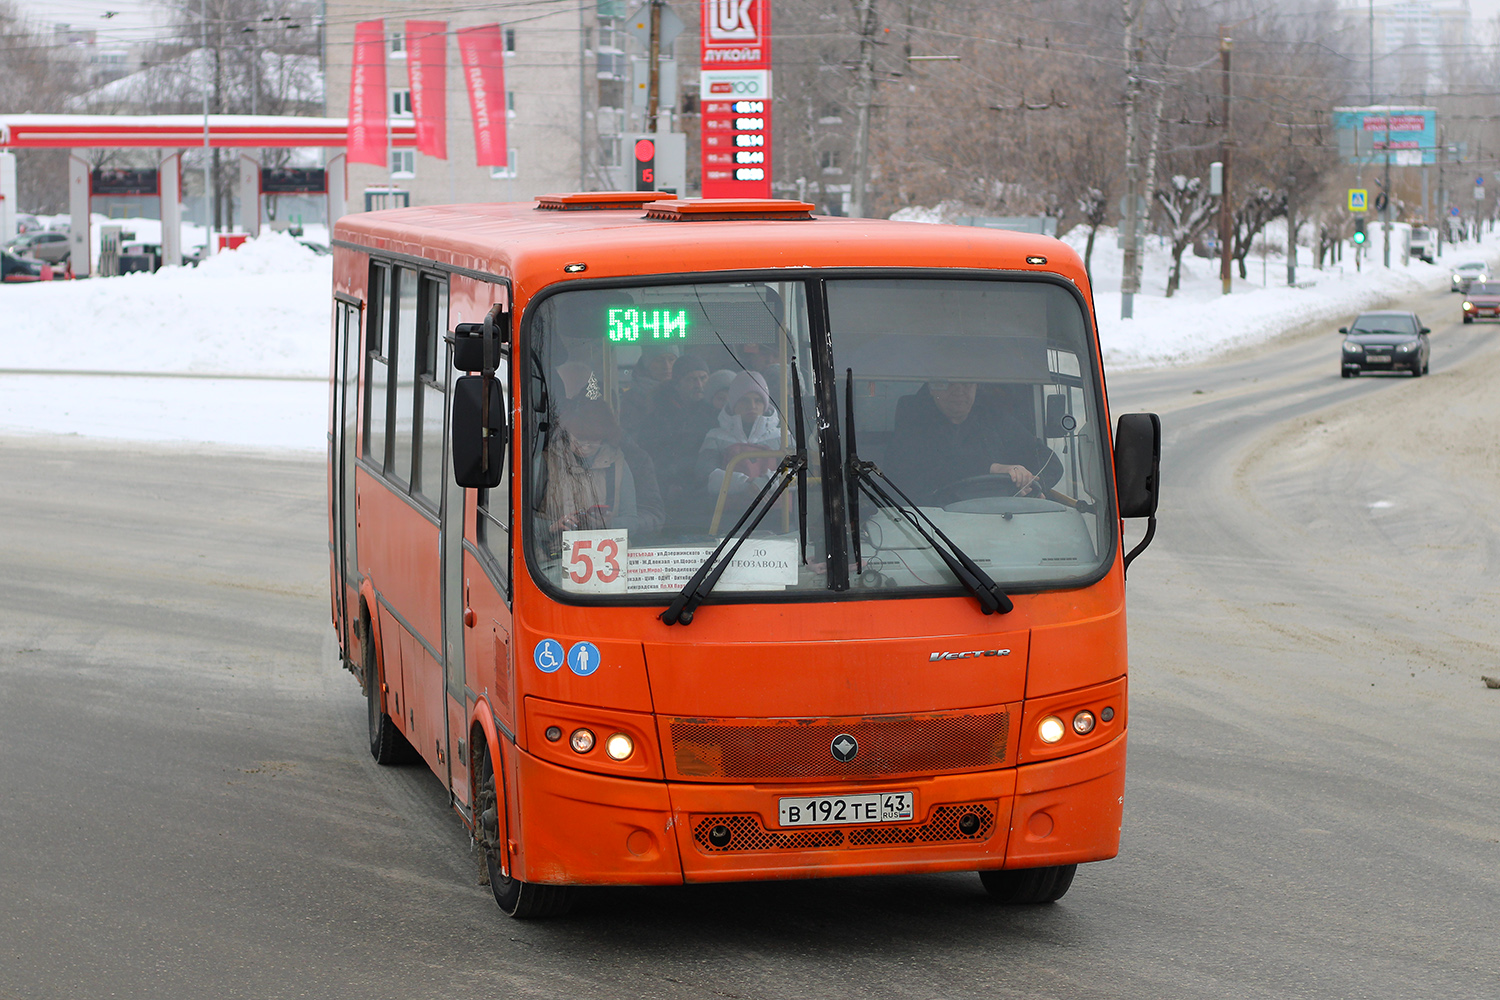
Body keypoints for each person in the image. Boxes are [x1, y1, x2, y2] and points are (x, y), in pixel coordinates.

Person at [883, 380, 1060, 504]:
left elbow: (1050, 463)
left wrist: (1028, 485)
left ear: (976, 386)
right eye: (949, 383)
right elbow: (932, 467)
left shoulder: (996, 422)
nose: (959, 391)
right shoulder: (913, 426)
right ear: (932, 387)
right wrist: (996, 468)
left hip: (1000, 524)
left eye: (967, 383)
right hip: (932, 530)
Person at [539, 398, 642, 537]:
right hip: (553, 552)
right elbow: (522, 519)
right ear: (567, 434)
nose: (586, 447)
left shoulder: (616, 464)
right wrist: (552, 526)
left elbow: (632, 521)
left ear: (605, 438)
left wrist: (611, 523)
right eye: (579, 440)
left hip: (607, 550)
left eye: (593, 442)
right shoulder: (546, 462)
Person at [638, 355, 716, 514]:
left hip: (707, 493)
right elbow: (651, 456)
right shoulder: (658, 416)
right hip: (670, 495)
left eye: (703, 378)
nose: (699, 385)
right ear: (677, 383)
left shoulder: (716, 414)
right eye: (691, 379)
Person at [697, 370, 785, 499]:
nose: (752, 406)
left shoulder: (782, 436)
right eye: (744, 400)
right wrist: (745, 484)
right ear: (733, 403)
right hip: (729, 516)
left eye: (758, 400)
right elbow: (704, 474)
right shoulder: (715, 437)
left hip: (778, 513)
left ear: (765, 405)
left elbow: (797, 472)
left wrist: (764, 484)